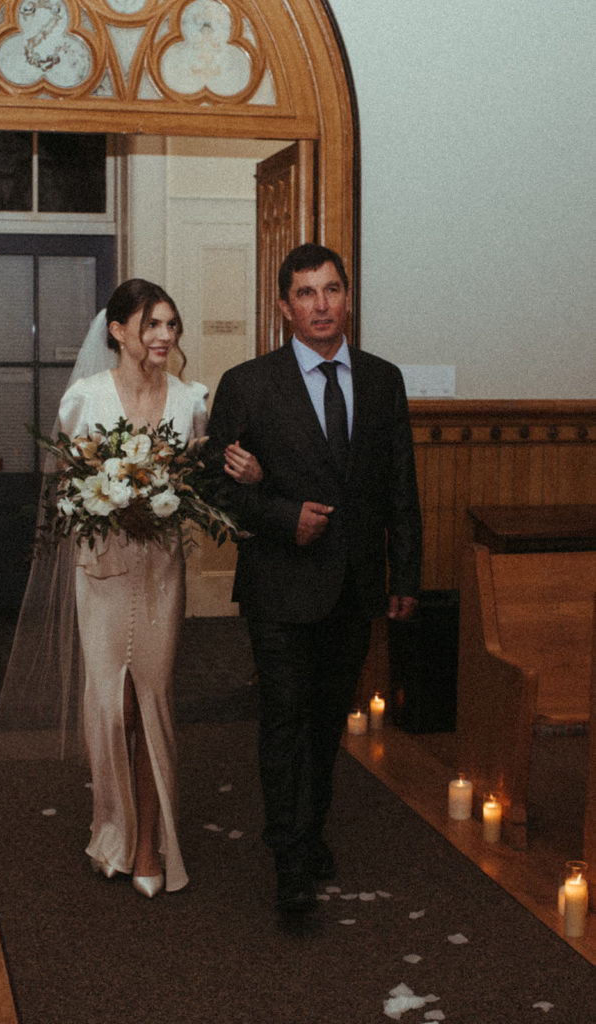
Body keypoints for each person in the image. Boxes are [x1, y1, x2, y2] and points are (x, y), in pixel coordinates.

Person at [0, 279, 261, 898]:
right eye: (152, 324)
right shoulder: (84, 399)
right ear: (117, 331)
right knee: (112, 709)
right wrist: (102, 499)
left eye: (171, 324)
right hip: (103, 575)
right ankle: (113, 826)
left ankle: (149, 844)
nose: (165, 335)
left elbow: (204, 486)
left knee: (153, 702)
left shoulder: (191, 401)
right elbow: (66, 489)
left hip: (161, 573)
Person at [206, 243, 422, 913]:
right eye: (305, 293)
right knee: (285, 719)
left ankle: (309, 829)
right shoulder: (248, 384)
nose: (321, 304)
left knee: (327, 722)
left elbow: (400, 486)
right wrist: (281, 517)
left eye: (331, 290)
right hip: (279, 583)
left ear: (347, 297)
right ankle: (289, 859)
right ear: (284, 306)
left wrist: (405, 574)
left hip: (354, 585)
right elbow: (214, 487)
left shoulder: (383, 380)